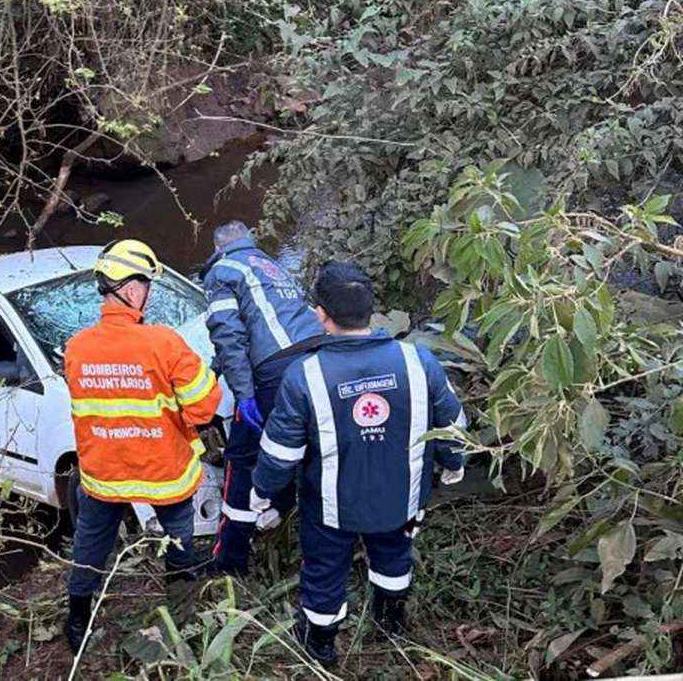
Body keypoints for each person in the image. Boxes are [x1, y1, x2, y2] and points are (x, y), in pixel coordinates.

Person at [249, 262, 467, 666]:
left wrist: (263, 493)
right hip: (401, 500)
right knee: (394, 559)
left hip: (331, 510)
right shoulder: (419, 361)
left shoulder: (304, 375)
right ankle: (391, 623)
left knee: (324, 575)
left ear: (321, 314)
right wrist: (454, 463)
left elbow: (281, 454)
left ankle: (321, 647)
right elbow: (453, 426)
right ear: (372, 309)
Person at [62, 239, 223, 655]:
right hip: (164, 472)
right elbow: (205, 408)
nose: (148, 294)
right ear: (132, 291)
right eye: (147, 286)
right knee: (179, 541)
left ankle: (77, 620)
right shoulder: (164, 343)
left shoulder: (76, 348)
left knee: (90, 544)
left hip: (104, 476)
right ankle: (181, 617)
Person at [202, 221, 323, 574]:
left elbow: (228, 335)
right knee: (300, 446)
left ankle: (230, 560)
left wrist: (244, 395)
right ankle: (283, 519)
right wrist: (215, 369)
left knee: (241, 460)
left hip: (274, 371)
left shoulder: (221, 272)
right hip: (316, 358)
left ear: (218, 247)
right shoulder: (271, 266)